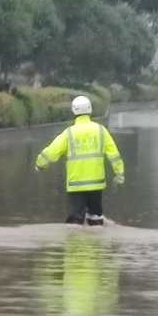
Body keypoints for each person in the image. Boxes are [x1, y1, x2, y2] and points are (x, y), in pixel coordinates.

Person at [35, 96, 125, 225]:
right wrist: (119, 174)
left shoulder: (69, 133)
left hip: (76, 184)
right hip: (96, 183)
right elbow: (114, 154)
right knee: (95, 218)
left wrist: (40, 164)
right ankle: (97, 243)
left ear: (73, 111)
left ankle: (76, 244)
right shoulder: (100, 130)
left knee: (75, 220)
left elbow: (52, 151)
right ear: (90, 110)